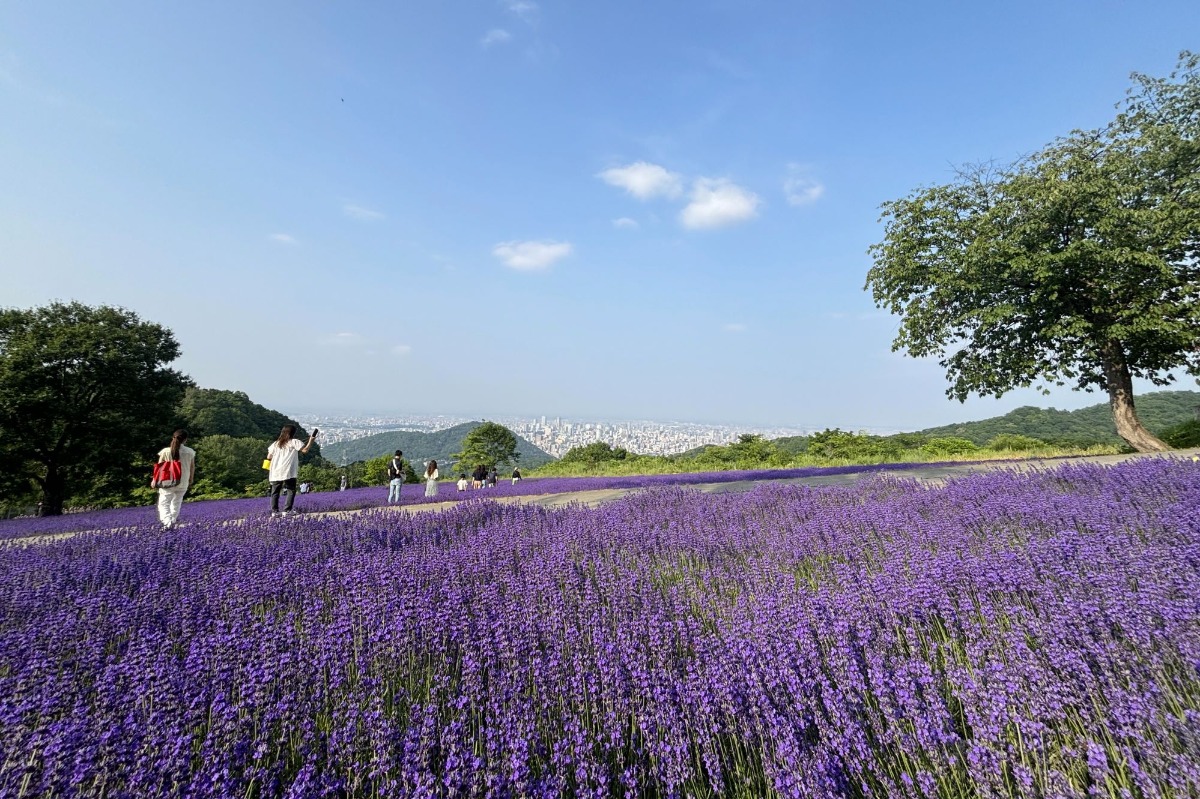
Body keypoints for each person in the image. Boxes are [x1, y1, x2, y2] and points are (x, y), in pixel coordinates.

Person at [266, 425, 317, 517]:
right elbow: (305, 450)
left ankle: (275, 512)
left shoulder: (276, 444)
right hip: (288, 470)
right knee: (290, 490)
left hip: (276, 470)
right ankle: (287, 510)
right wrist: (311, 441)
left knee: (275, 491)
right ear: (293, 433)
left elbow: (269, 457)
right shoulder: (294, 442)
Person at [155, 429, 196, 528]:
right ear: (185, 440)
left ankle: (168, 523)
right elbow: (192, 467)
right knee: (176, 503)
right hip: (183, 482)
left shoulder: (165, 451)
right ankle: (172, 522)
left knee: (164, 503)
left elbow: (159, 467)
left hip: (167, 481)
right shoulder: (190, 452)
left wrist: (155, 480)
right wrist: (191, 479)